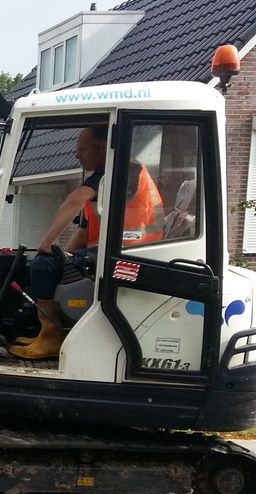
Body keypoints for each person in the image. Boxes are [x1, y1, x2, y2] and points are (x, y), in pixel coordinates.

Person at [9, 125, 162, 360]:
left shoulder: (123, 170)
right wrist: (61, 256)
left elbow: (73, 201)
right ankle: (48, 332)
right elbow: (84, 231)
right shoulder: (109, 175)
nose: (77, 155)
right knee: (49, 264)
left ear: (102, 148)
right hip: (112, 252)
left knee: (42, 265)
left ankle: (52, 337)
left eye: (82, 149)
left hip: (129, 256)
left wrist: (46, 244)